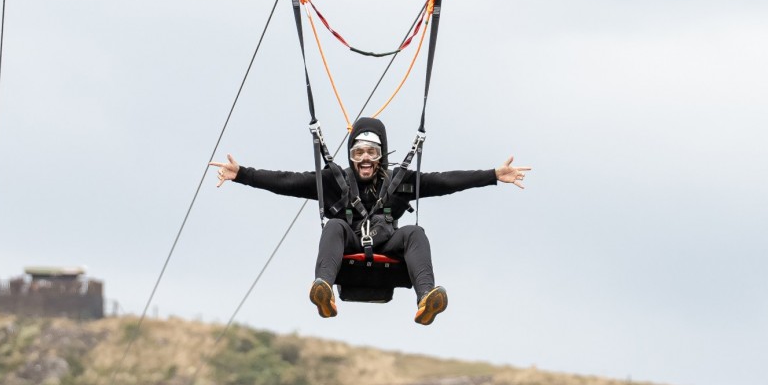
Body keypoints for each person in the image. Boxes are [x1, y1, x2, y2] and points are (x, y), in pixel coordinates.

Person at [210, 116, 530, 325]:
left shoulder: (399, 182)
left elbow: (444, 181)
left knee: (415, 232)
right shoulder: (334, 181)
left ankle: (426, 299)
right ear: (350, 155)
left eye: (372, 153)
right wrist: (242, 175)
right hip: (348, 247)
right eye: (359, 152)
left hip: (388, 250)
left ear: (383, 155)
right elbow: (287, 181)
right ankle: (324, 292)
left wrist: (492, 175)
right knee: (335, 225)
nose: (365, 159)